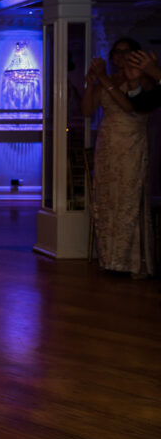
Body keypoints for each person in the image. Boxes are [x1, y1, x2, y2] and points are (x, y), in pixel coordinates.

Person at [84, 39, 154, 277]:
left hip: (131, 143)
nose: (121, 56)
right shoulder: (108, 80)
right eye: (117, 52)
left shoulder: (144, 79)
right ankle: (109, 258)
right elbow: (86, 111)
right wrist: (91, 83)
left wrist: (102, 78)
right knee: (106, 198)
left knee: (128, 197)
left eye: (126, 52)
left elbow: (129, 107)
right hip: (107, 144)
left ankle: (128, 260)